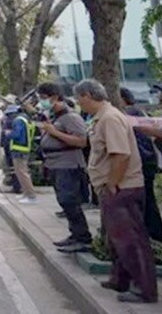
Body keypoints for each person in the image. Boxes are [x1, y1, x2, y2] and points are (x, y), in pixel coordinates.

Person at [75, 79, 157, 304]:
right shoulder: (102, 118)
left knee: (130, 240)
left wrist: (112, 184)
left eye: (79, 99)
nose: (78, 103)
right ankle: (120, 278)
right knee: (116, 239)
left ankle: (144, 289)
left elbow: (120, 154)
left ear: (88, 96)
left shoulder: (110, 118)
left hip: (123, 187)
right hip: (115, 187)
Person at [37, 82, 93, 252]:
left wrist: (54, 132)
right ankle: (75, 234)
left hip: (68, 165)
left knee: (70, 201)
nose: (41, 102)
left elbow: (81, 141)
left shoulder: (71, 117)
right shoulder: (57, 117)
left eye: (43, 98)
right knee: (64, 201)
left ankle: (83, 238)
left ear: (54, 97)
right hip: (56, 165)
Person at [120, 87, 162, 243]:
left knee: (146, 204)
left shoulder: (130, 114)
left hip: (141, 162)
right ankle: (155, 238)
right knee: (147, 203)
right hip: (146, 162)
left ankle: (154, 239)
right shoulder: (137, 112)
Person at [8, 104, 37, 203]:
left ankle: (31, 196)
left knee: (22, 173)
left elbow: (16, 134)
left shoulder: (18, 121)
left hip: (19, 149)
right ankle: (26, 194)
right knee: (21, 173)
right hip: (24, 149)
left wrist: (8, 134)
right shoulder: (26, 119)